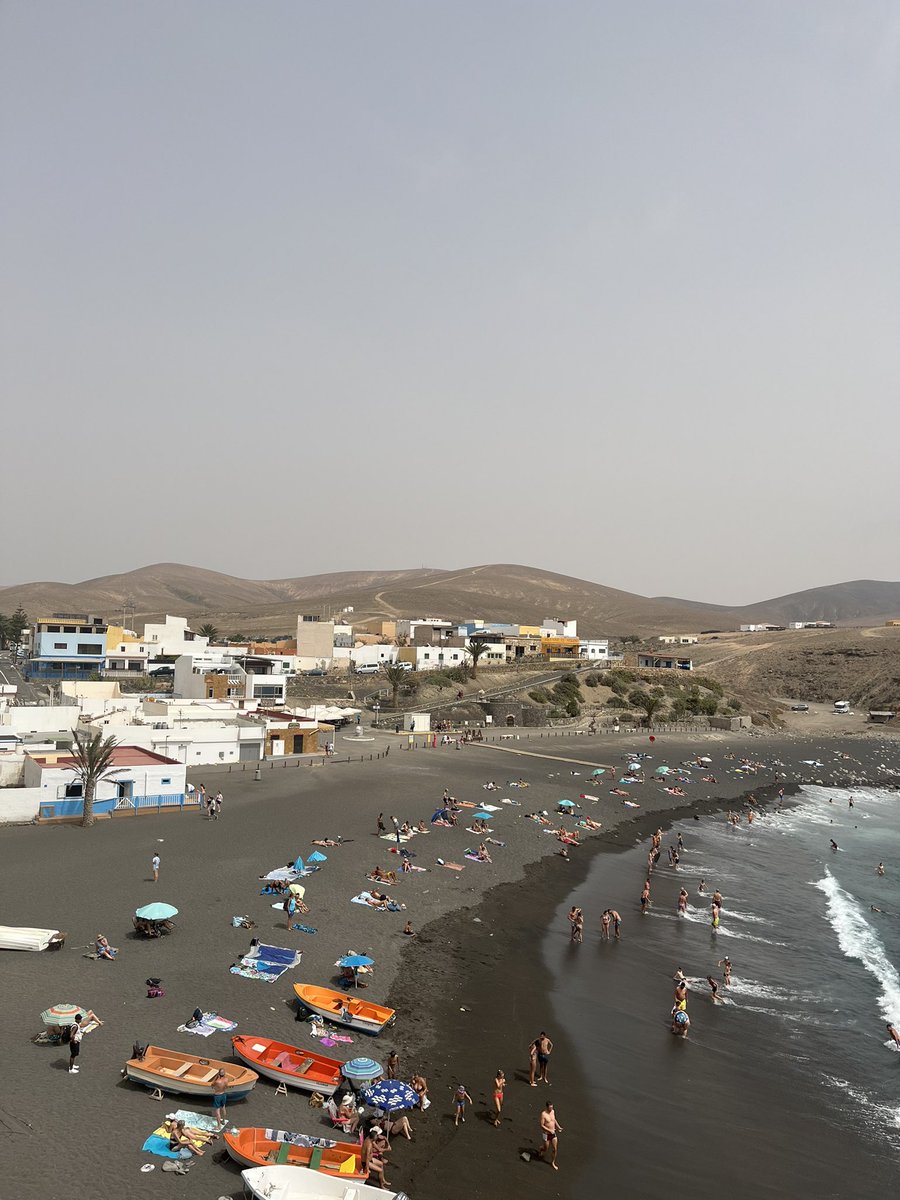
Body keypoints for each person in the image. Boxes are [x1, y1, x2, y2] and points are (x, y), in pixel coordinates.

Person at [539, 1102, 563, 1170]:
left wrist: (558, 1127)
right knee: (545, 1148)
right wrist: (549, 1131)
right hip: (546, 1134)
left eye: (552, 1107)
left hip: (553, 1133)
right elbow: (541, 1125)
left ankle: (552, 1162)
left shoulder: (553, 1111)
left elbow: (554, 1120)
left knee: (555, 1149)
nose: (551, 1109)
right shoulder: (543, 1114)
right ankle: (541, 1149)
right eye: (550, 1108)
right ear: (547, 1107)